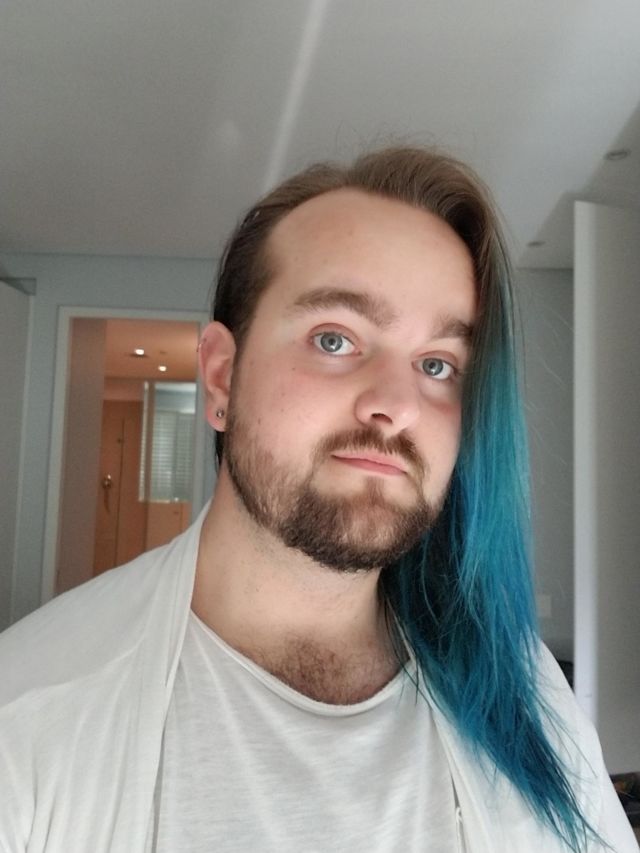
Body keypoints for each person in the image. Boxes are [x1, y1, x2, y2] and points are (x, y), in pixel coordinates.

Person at [0, 147, 636, 853]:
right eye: (335, 339)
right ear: (221, 377)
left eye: (437, 364)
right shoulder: (28, 719)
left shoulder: (522, 691)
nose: (396, 404)